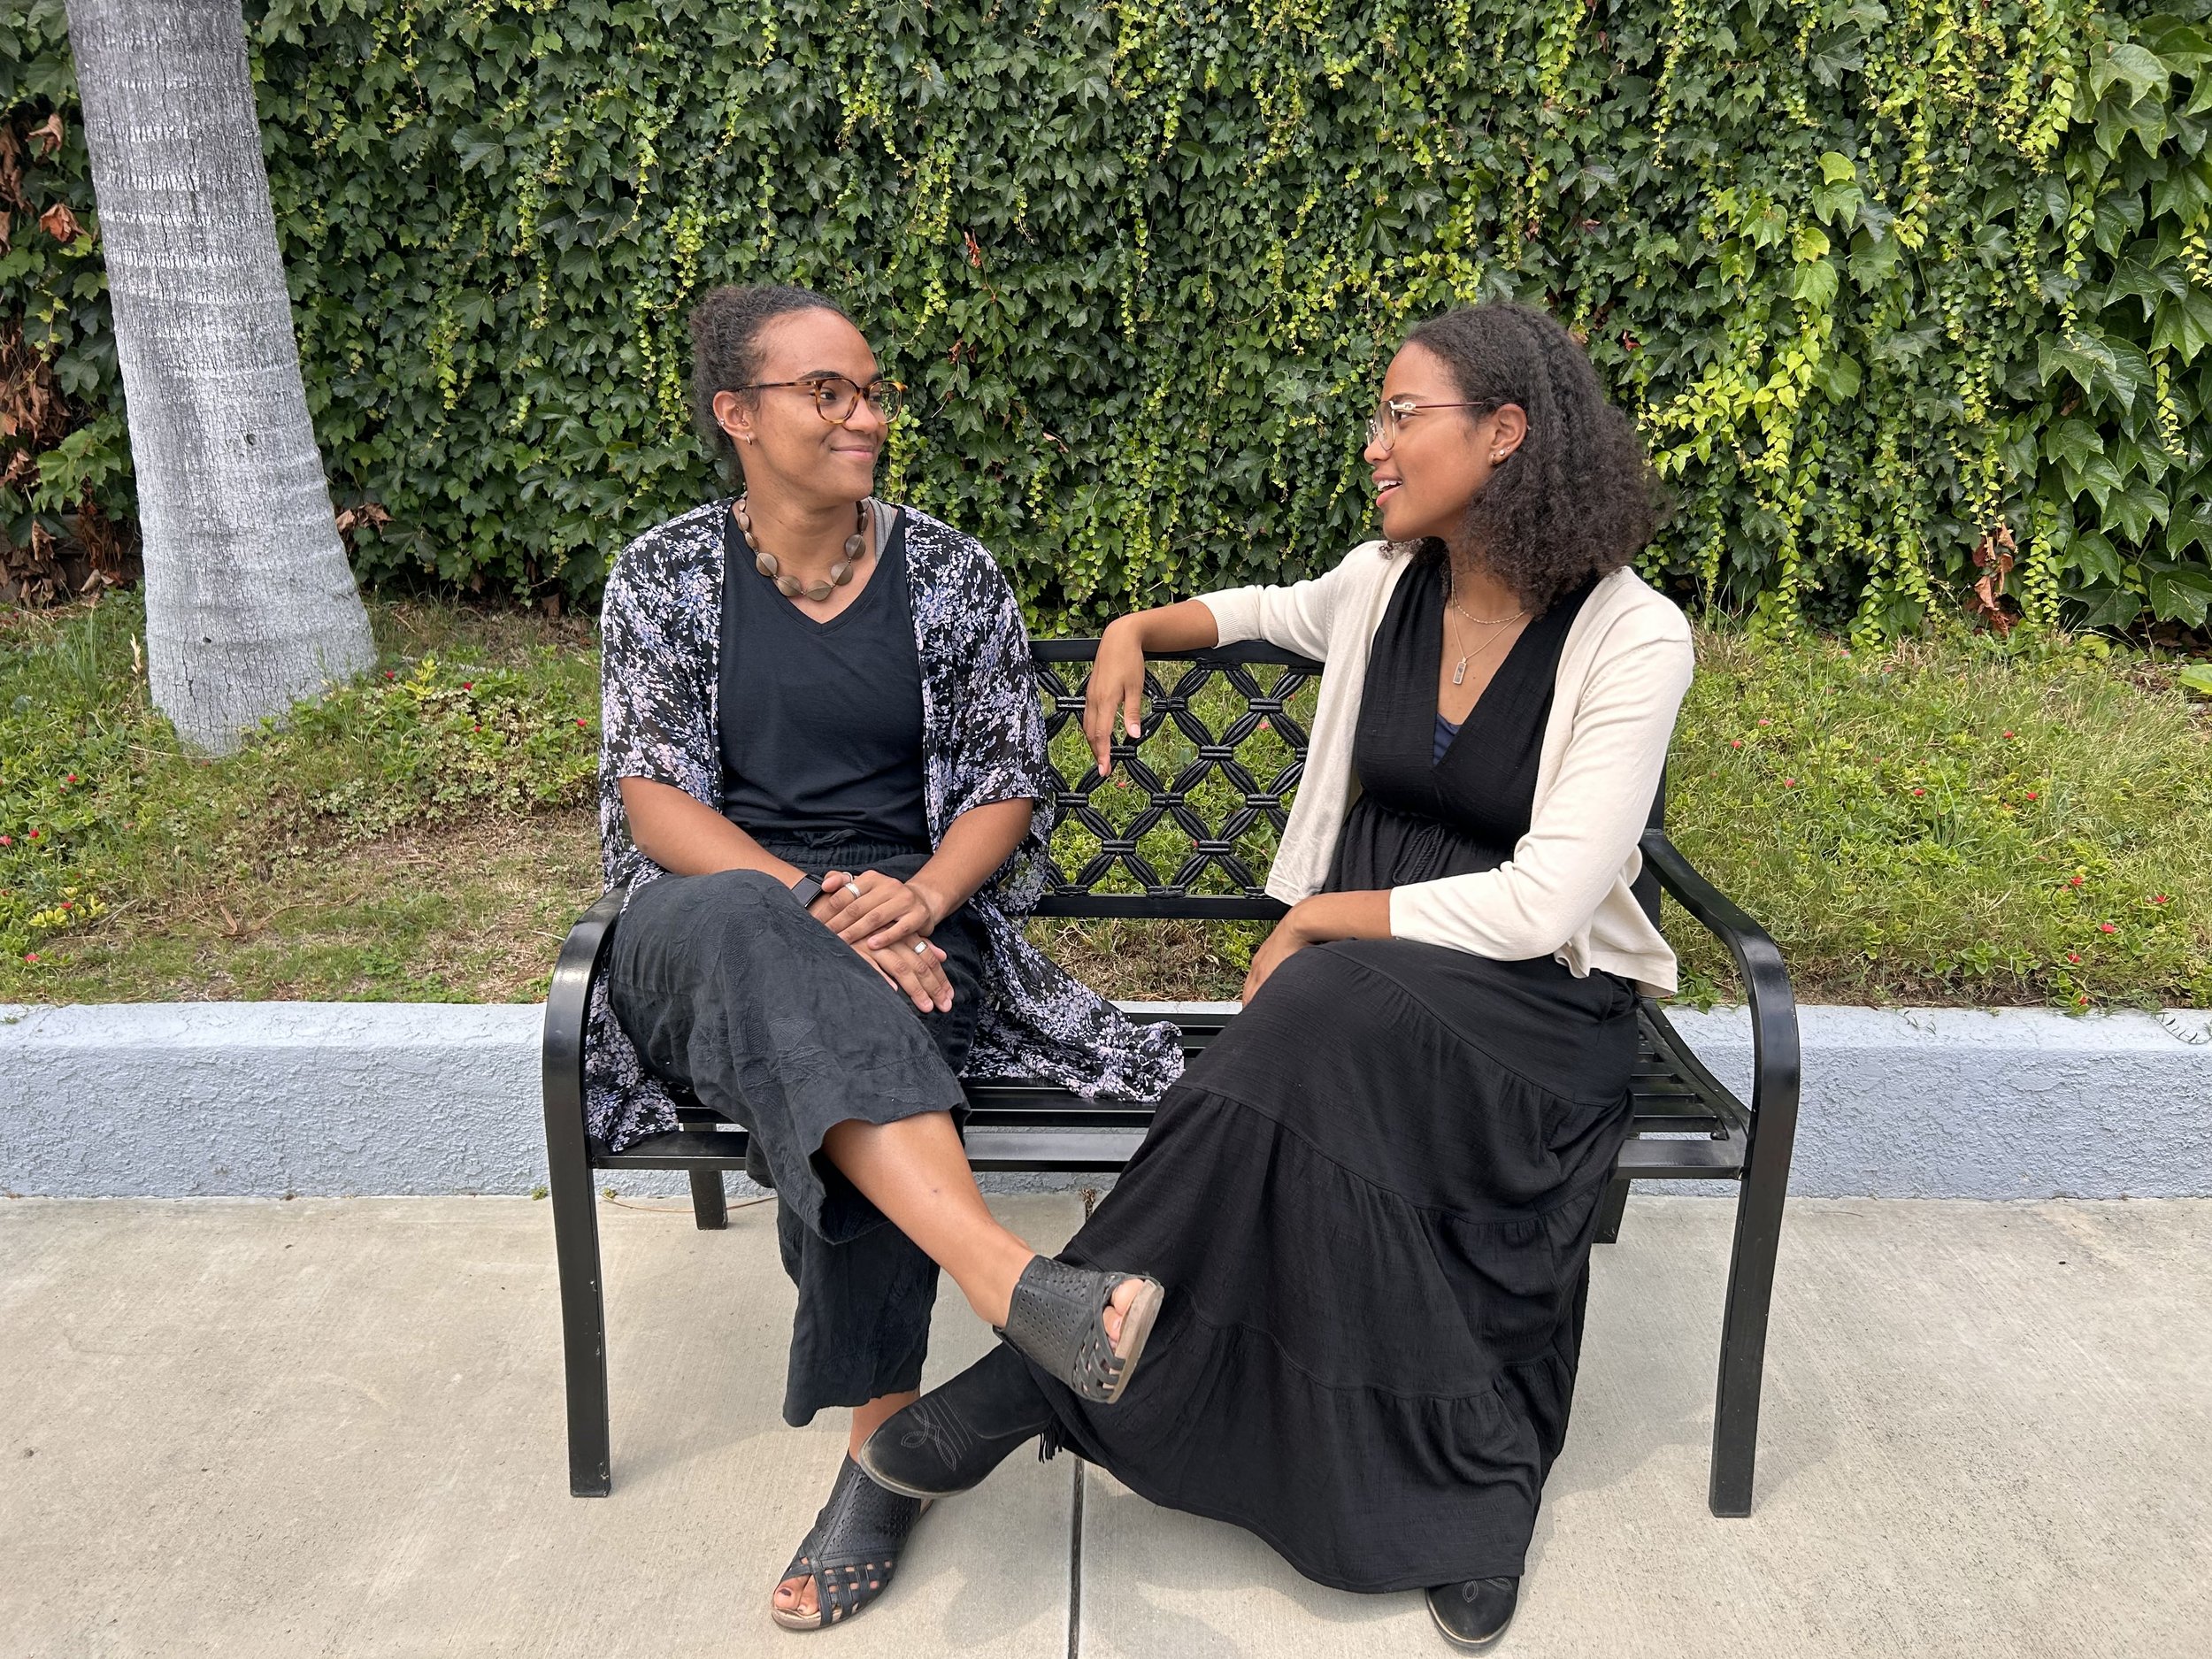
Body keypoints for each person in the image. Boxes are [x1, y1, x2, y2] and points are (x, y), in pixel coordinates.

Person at [858, 300, 1695, 1651]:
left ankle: (1033, 1382)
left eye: (1401, 414)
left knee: (1310, 1009)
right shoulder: (1383, 584)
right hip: (1359, 1007)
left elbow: (1548, 900)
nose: (1375, 442)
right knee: (1312, 1044)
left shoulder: (1633, 636)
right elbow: (1258, 611)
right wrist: (1135, 623)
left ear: (1504, 432)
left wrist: (1319, 922)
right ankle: (1416, 1483)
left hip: (1533, 1014)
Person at [589, 283, 1185, 1631]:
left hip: (919, 934)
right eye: (827, 393)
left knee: (857, 1025)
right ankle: (1009, 1290)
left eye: (871, 392)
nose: (864, 415)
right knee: (770, 939)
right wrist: (811, 899)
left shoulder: (953, 574)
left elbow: (1001, 786)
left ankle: (883, 1444)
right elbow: (659, 806)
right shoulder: (667, 575)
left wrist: (913, 899)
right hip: (713, 924)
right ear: (737, 415)